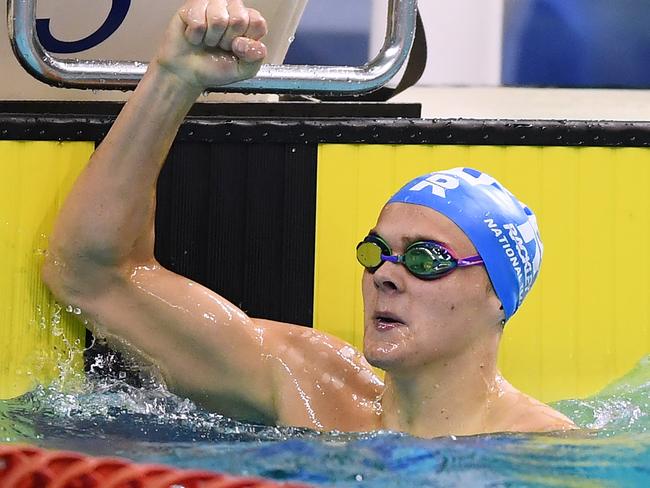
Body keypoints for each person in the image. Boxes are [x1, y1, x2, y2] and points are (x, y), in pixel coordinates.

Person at [42, 0, 574, 437]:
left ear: (497, 296)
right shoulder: (313, 387)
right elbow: (91, 275)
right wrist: (173, 79)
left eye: (425, 258)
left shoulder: (539, 448)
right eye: (376, 252)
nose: (386, 274)